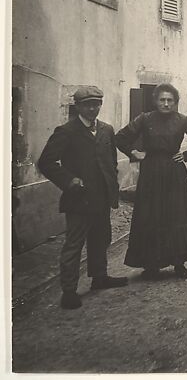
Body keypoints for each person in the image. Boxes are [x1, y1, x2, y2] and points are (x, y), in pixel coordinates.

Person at [38, 86, 128, 309]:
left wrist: (112, 185)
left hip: (102, 198)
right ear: (77, 106)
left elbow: (111, 161)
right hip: (79, 200)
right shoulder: (66, 131)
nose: (92, 108)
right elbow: (46, 163)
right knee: (74, 244)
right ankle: (69, 291)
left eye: (96, 104)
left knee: (101, 239)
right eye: (87, 104)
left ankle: (99, 277)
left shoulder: (106, 130)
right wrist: (70, 181)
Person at [115, 83, 187, 280]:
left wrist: (186, 155)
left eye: (170, 100)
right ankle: (151, 265)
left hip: (174, 172)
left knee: (176, 215)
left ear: (175, 102)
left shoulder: (183, 120)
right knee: (151, 215)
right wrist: (133, 152)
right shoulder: (145, 119)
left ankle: (179, 263)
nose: (166, 104)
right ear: (155, 101)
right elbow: (121, 138)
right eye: (162, 100)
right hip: (150, 172)